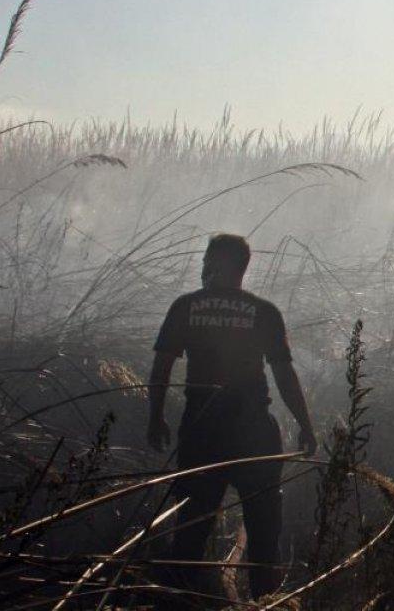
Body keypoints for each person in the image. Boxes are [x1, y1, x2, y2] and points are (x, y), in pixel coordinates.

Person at [146, 234, 316, 602]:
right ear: (244, 266)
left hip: (202, 428)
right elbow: (284, 374)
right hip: (253, 428)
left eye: (206, 259)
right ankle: (264, 602)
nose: (203, 266)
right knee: (263, 529)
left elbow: (161, 367)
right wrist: (305, 424)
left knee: (191, 526)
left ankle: (179, 600)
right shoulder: (264, 311)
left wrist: (155, 417)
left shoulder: (187, 306)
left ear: (215, 262)